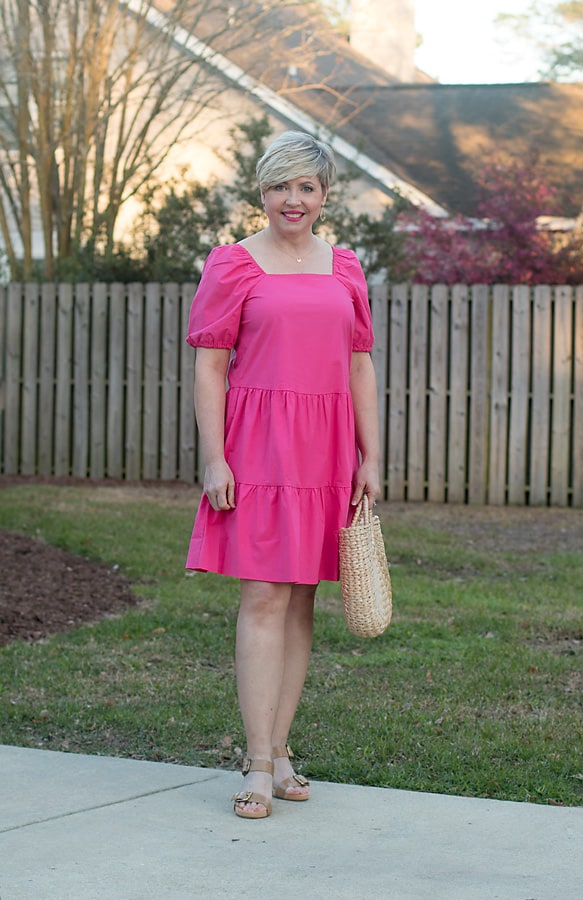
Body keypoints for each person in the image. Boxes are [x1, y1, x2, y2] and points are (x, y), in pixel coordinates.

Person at [185, 130, 381, 819]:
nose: (291, 200)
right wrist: (215, 456)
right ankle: (257, 761)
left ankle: (282, 747)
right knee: (264, 597)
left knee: (302, 602)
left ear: (324, 195)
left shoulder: (346, 267)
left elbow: (359, 364)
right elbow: (211, 362)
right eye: (279, 186)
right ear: (262, 192)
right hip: (258, 447)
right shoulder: (234, 264)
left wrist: (371, 455)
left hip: (325, 450)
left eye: (306, 187)